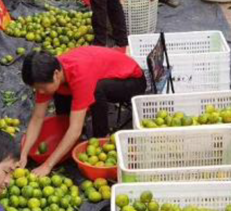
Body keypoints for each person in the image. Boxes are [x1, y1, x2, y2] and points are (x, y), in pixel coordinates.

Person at [20, 47, 146, 175]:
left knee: (96, 90)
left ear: (56, 74)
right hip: (99, 74)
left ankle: (101, 138)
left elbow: (75, 130)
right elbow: (37, 118)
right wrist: (23, 154)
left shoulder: (80, 75)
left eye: (41, 88)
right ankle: (66, 133)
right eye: (36, 88)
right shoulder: (47, 75)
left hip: (133, 80)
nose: (40, 92)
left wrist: (47, 165)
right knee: (59, 91)